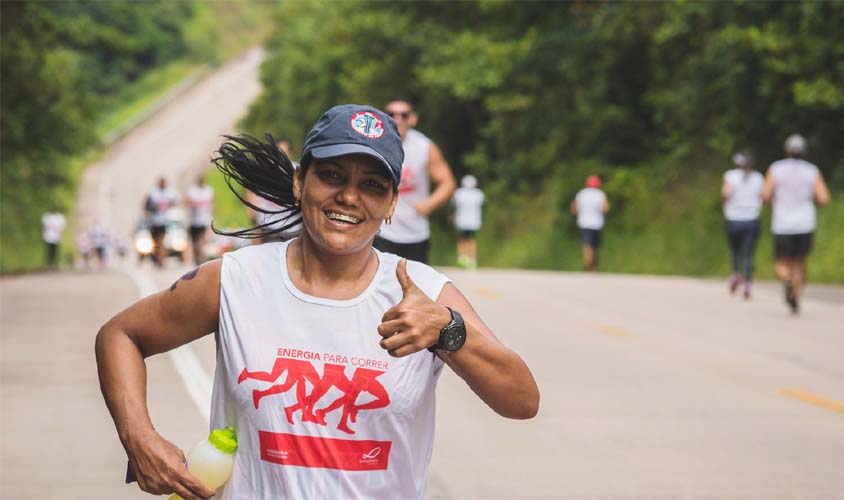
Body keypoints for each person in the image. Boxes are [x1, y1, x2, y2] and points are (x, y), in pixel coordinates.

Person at [95, 104, 538, 500]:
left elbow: (521, 400)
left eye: (371, 185)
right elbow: (121, 335)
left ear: (391, 204)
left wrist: (449, 329)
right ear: (299, 181)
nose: (349, 197)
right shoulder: (236, 280)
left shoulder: (423, 293)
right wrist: (139, 438)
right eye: (331, 176)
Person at [373, 97, 457, 264]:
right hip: (381, 231)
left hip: (415, 232)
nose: (397, 119)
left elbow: (448, 182)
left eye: (403, 115)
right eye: (391, 114)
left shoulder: (424, 147)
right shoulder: (374, 145)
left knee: (415, 286)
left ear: (412, 119)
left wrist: (430, 204)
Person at [762, 134, 830, 314]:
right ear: (804, 152)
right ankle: (796, 298)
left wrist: (775, 203)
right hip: (805, 223)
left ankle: (786, 281)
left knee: (781, 263)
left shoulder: (776, 169)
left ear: (786, 151)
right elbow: (824, 198)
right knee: (800, 263)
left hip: (782, 223)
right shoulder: (812, 171)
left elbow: (766, 195)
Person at [721, 150, 764, 299]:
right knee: (749, 254)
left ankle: (735, 274)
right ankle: (747, 283)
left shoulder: (730, 176)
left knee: (735, 250)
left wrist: (725, 207)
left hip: (734, 218)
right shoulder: (759, 178)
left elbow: (726, 194)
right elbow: (764, 195)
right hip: (752, 218)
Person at [245, 140, 300, 244]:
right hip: (269, 227)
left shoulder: (298, 171)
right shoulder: (264, 170)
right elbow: (251, 189)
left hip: (293, 228)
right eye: (278, 152)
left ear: (290, 153)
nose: (281, 155)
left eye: (284, 152)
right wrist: (252, 214)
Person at [570, 175, 609, 272]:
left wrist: (581, 213)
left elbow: (574, 209)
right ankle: (592, 266)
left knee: (587, 245)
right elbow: (605, 209)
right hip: (597, 224)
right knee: (595, 246)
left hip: (584, 223)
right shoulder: (600, 194)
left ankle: (588, 264)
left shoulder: (582, 194)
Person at [452, 174, 485, 269]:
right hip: (473, 221)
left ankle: (462, 256)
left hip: (461, 220)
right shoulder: (478, 194)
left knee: (462, 238)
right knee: (471, 239)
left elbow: (454, 205)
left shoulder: (459, 193)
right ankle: (472, 258)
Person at [144, 177, 178, 267]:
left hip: (163, 221)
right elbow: (146, 206)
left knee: (161, 241)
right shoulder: (153, 193)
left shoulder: (169, 193)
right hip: (154, 221)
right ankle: (157, 258)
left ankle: (161, 260)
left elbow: (174, 203)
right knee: (155, 242)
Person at [186, 173, 215, 265]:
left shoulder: (208, 190)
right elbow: (186, 201)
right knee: (195, 241)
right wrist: (192, 203)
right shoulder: (192, 190)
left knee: (202, 239)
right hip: (194, 220)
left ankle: (202, 258)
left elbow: (213, 203)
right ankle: (196, 257)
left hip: (204, 219)